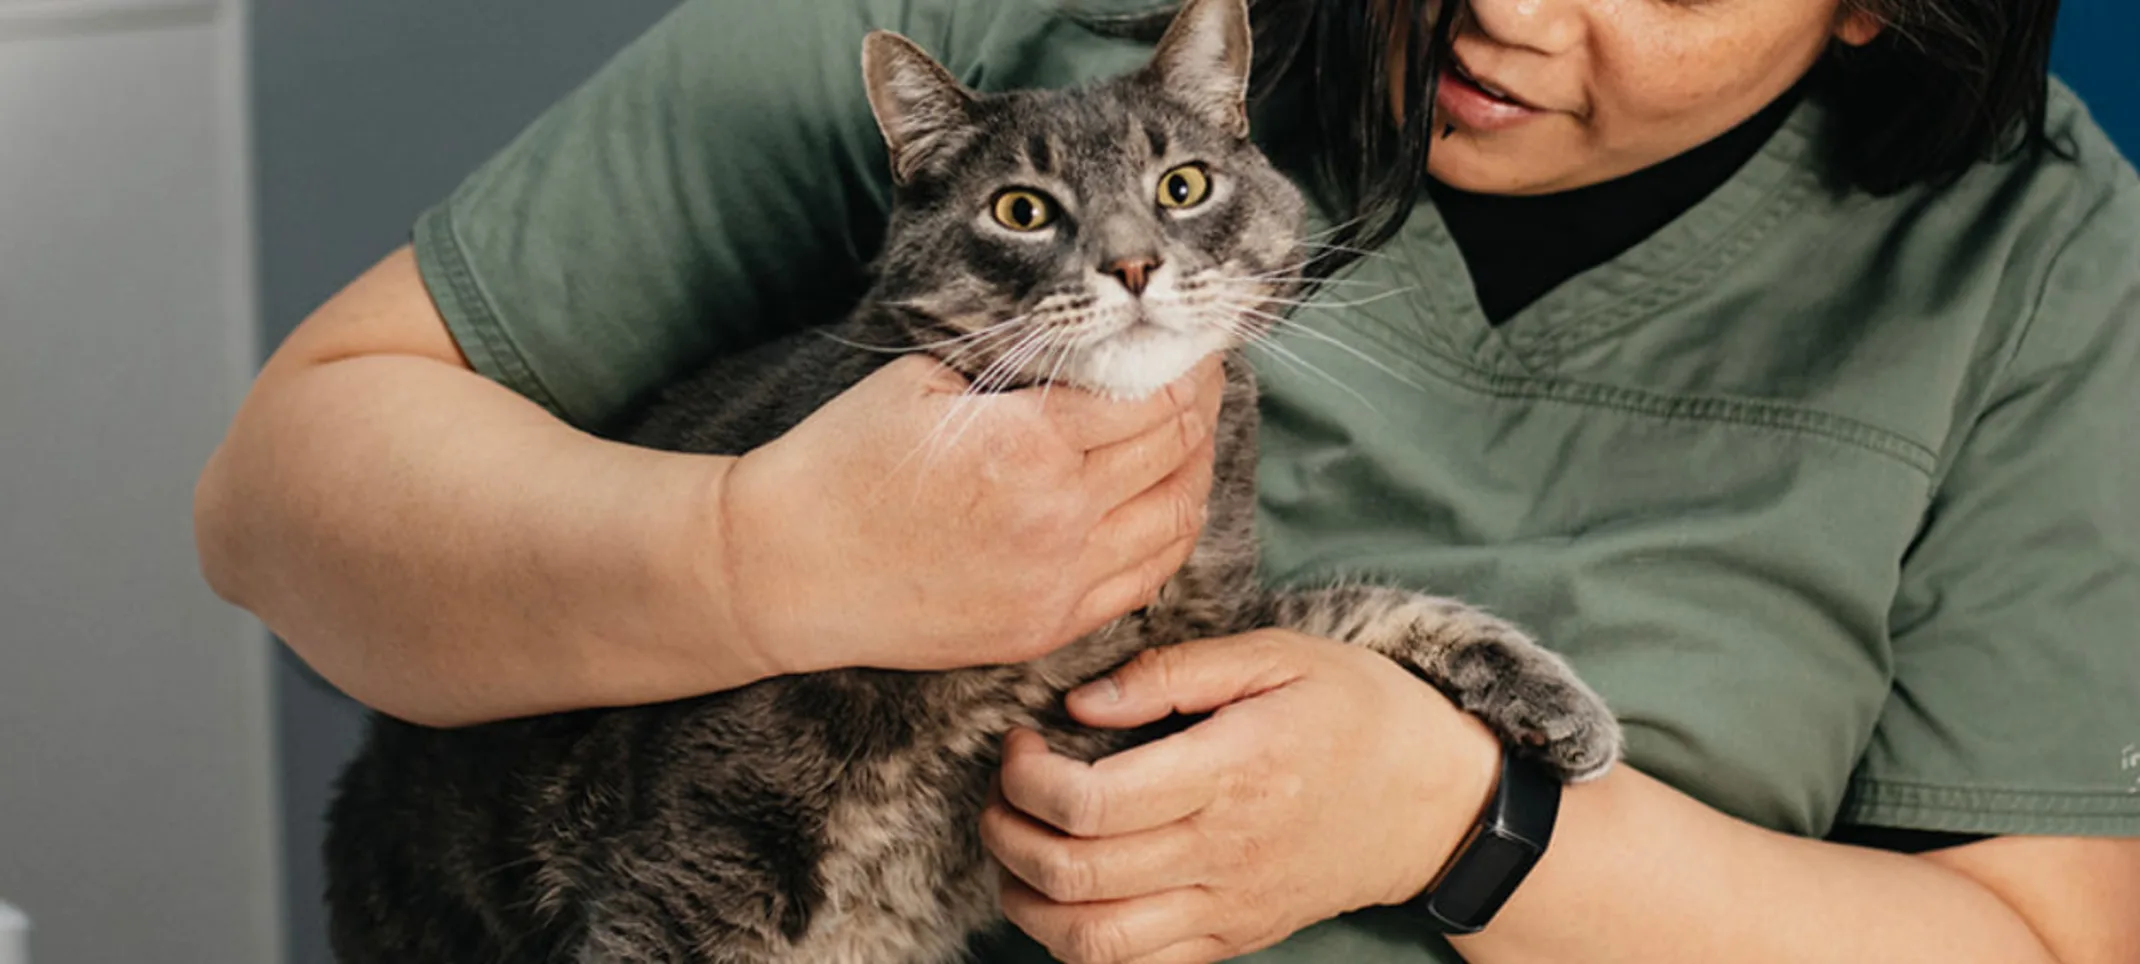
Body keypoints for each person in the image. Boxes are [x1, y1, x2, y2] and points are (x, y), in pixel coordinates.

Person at [194, 0, 2140, 960]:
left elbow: (2040, 937)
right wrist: (752, 551)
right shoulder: (1018, 39)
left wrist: (1472, 828)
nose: (1504, 11)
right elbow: (278, 497)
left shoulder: (2030, 251)